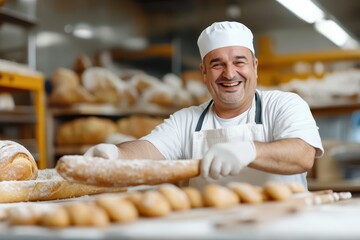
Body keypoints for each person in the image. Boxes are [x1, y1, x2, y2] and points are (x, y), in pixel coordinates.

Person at [84, 21, 324, 190]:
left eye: (239, 62)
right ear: (204, 72)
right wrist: (116, 154)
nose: (229, 74)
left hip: (284, 229)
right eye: (217, 64)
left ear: (255, 67)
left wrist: (249, 150)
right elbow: (148, 150)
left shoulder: (284, 104)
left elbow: (302, 155)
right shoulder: (187, 120)